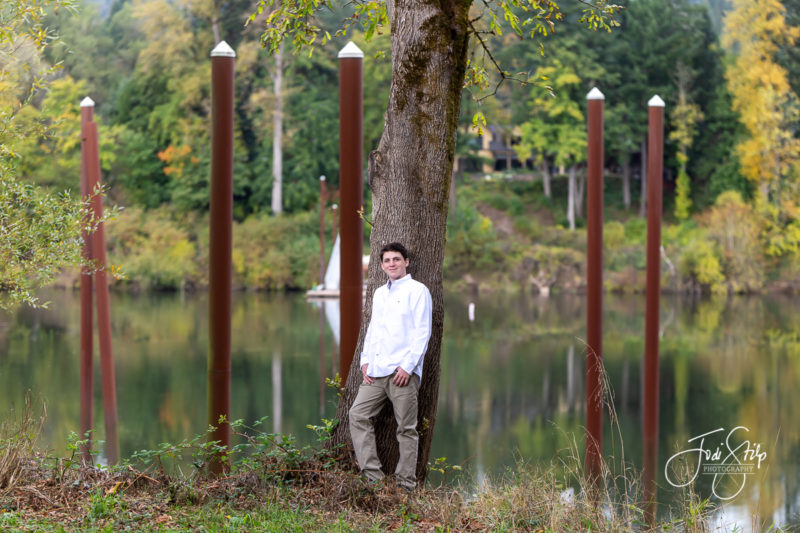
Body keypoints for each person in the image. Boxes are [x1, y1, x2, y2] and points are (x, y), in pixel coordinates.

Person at [348, 242, 433, 491]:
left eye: (396, 259)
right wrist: (365, 360)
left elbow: (422, 332)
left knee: (406, 429)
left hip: (402, 373)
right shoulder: (379, 293)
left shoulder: (418, 291)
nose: (392, 263)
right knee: (357, 415)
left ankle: (405, 485)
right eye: (387, 260)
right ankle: (373, 479)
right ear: (381, 265)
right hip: (375, 372)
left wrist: (408, 367)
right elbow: (373, 329)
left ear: (406, 262)